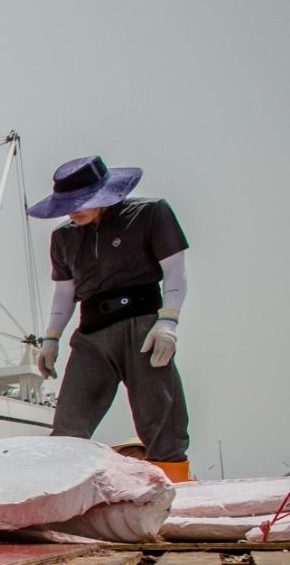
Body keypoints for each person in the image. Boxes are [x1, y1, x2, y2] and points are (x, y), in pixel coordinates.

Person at [27, 156, 191, 482]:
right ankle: (60, 492)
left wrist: (168, 322)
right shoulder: (63, 237)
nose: (71, 211)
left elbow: (175, 271)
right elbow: (64, 293)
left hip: (143, 326)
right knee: (69, 423)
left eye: (79, 203)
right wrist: (51, 338)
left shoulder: (150, 213)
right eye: (65, 204)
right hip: (91, 333)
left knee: (160, 417)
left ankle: (177, 492)